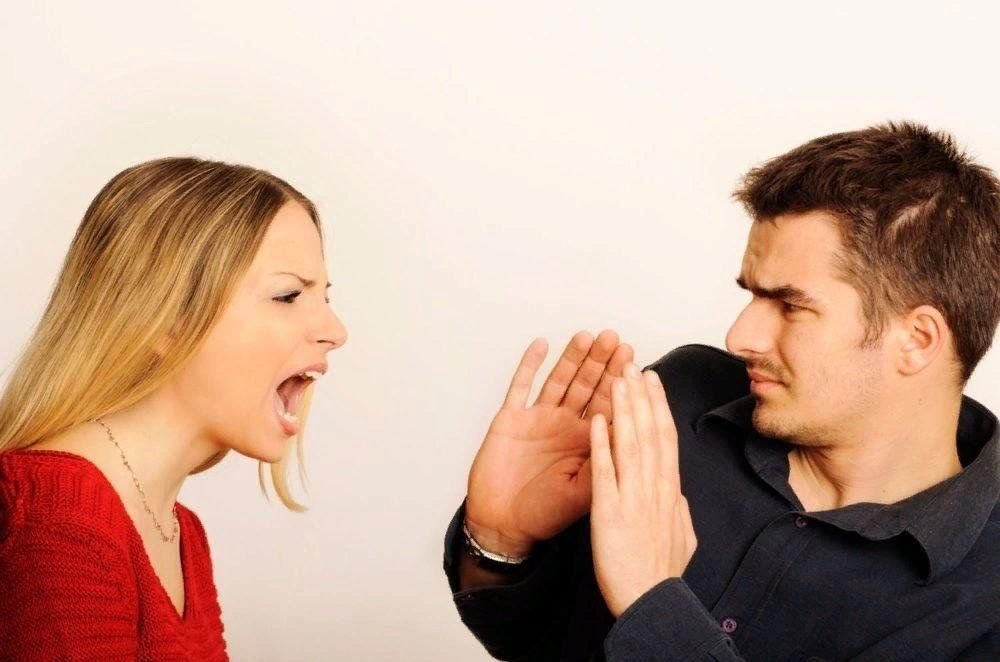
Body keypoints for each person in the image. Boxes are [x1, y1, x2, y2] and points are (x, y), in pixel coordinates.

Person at [444, 122, 1000, 660]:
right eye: (751, 296)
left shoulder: (985, 607)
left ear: (917, 340)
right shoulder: (678, 400)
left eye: (790, 305)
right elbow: (536, 642)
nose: (739, 337)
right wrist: (498, 541)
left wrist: (654, 608)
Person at [0, 158, 347, 660]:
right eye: (288, 295)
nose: (335, 331)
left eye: (324, 297)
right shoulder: (59, 524)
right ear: (165, 319)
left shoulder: (181, 533)